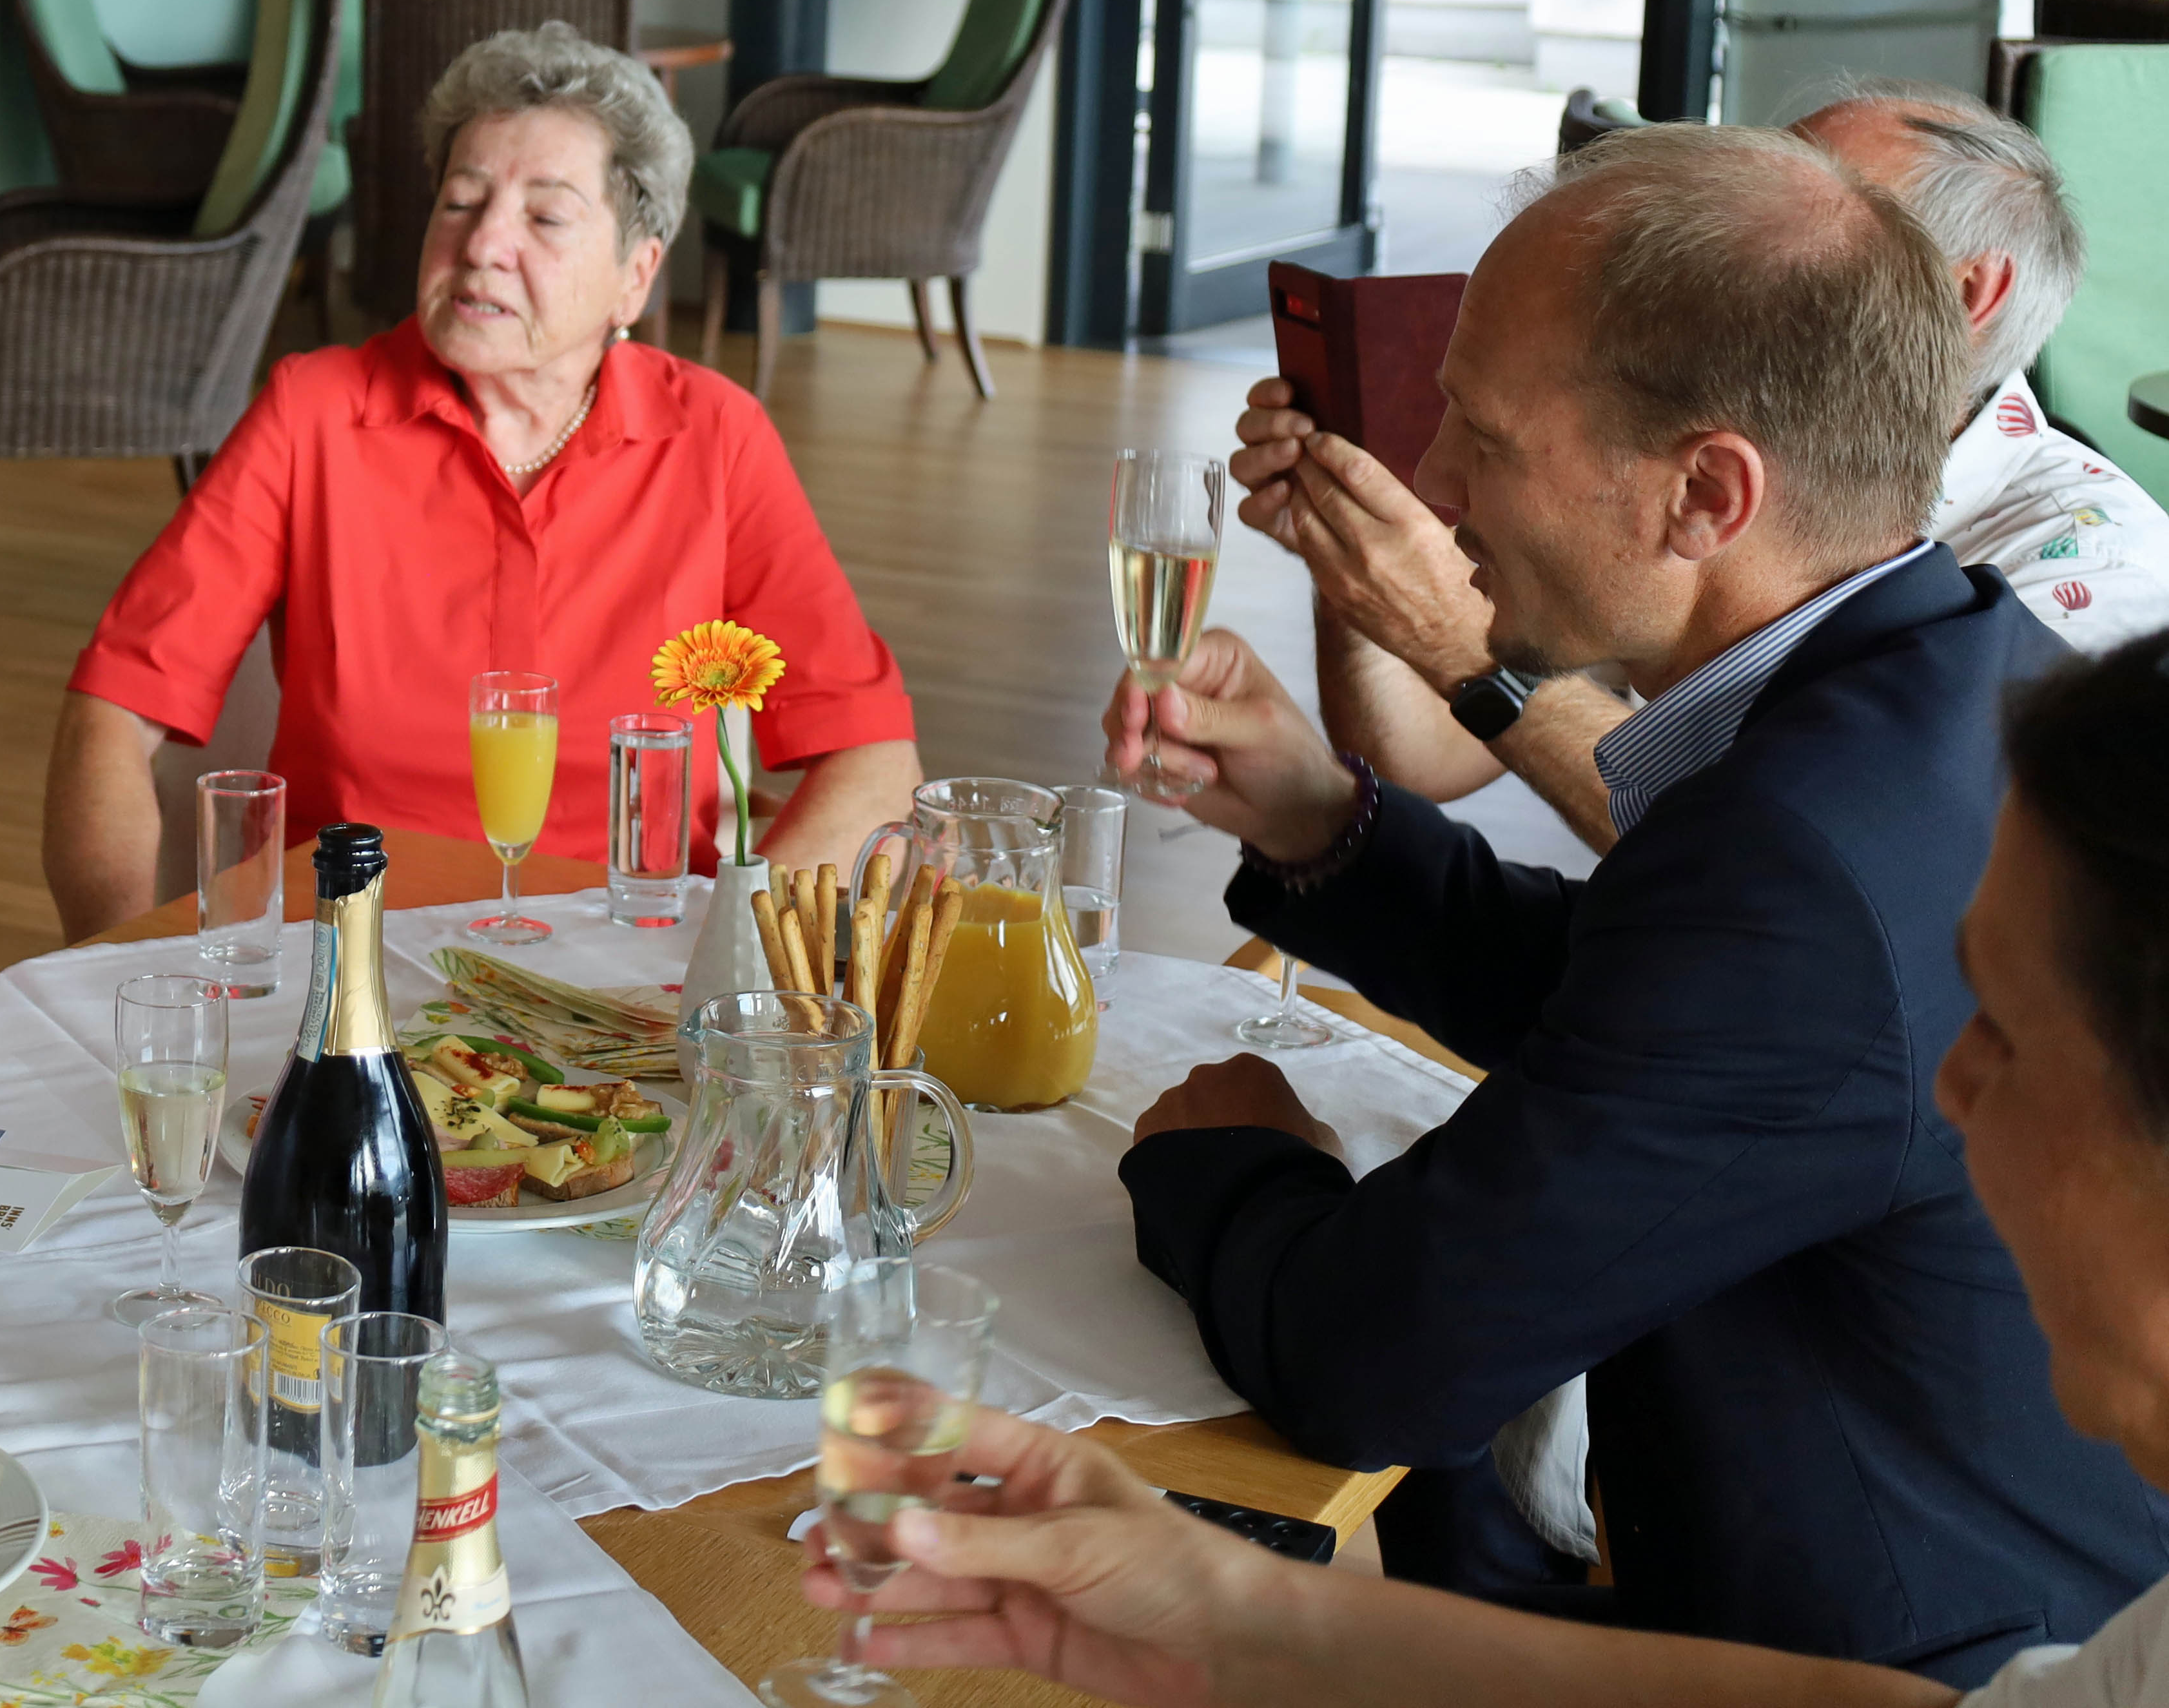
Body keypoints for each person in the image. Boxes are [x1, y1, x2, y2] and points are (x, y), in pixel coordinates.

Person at [1103, 121, 2167, 1679]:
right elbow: (1656, 1008)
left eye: (1482, 433)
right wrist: (1327, 827)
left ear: (1706, 494)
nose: (1439, 484)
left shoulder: (1807, 854)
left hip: (1886, 1654)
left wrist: (1234, 1164)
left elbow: (1376, 1361)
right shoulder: (1944, 661)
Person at [819, 625, 2169, 1708]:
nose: (1950, 1080)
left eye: (2002, 1028)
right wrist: (1225, 1616)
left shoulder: (1833, 811)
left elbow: (1384, 1356)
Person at [48, 24, 920, 940]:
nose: (484, 244)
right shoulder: (316, 414)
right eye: (462, 201)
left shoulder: (714, 437)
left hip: (627, 981)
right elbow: (114, 708)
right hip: (348, 974)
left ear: (636, 277)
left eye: (544, 217)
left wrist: (731, 963)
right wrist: (104, 961)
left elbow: (873, 759)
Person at [1237, 80, 2166, 854]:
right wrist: (1354, 537)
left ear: (1968, 294)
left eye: (1828, 203)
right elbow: (1435, 753)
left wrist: (1452, 638)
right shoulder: (1715, 481)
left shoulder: (2094, 578)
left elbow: (1849, 892)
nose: (1739, 233)